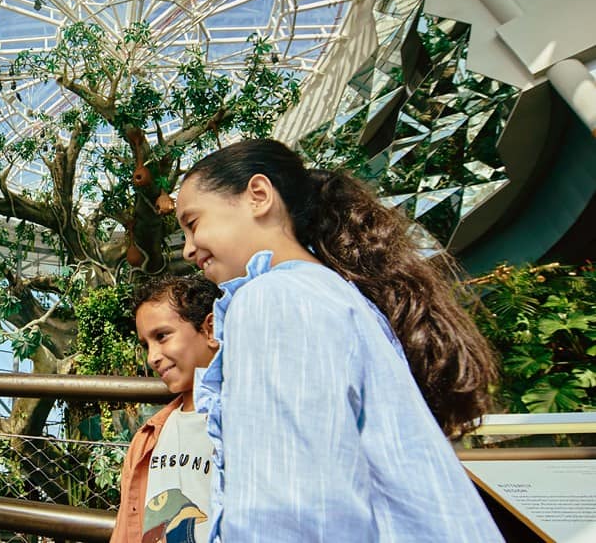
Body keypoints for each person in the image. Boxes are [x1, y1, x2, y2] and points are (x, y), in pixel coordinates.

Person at [174, 138, 501, 541]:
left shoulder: (274, 299)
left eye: (192, 223)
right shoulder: (331, 294)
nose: (188, 249)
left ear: (258, 196)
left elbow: (293, 513)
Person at [113, 275, 222, 543]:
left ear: (210, 329)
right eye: (146, 345)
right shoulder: (147, 439)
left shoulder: (245, 423)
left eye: (162, 336)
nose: (152, 357)